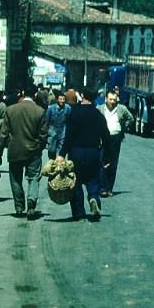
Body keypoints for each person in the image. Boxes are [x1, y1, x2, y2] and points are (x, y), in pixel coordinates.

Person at [57, 86, 111, 221]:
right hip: (93, 152)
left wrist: (62, 154)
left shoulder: (74, 113)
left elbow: (68, 136)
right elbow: (106, 137)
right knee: (93, 180)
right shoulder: (98, 115)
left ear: (82, 95)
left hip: (76, 152)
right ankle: (93, 198)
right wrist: (106, 157)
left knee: (76, 182)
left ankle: (78, 212)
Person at [0, 84, 48, 219]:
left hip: (15, 150)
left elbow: (3, 134)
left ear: (23, 93)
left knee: (16, 179)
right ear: (35, 95)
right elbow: (43, 135)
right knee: (34, 178)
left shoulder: (11, 110)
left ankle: (19, 207)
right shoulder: (40, 111)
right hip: (33, 151)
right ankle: (31, 200)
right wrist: (39, 148)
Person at [97, 90, 134, 197]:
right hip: (102, 138)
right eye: (110, 99)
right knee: (101, 162)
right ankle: (102, 188)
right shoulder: (99, 109)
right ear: (106, 99)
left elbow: (130, 118)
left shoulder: (121, 109)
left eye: (114, 99)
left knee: (113, 164)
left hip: (115, 138)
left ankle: (109, 188)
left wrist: (124, 127)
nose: (112, 102)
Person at [45, 92, 71, 160]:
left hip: (63, 129)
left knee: (61, 148)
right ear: (57, 100)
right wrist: (46, 131)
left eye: (63, 99)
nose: (62, 101)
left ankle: (59, 163)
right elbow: (47, 120)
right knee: (51, 149)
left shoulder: (68, 108)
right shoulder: (51, 108)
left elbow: (69, 119)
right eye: (60, 99)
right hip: (52, 129)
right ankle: (51, 161)